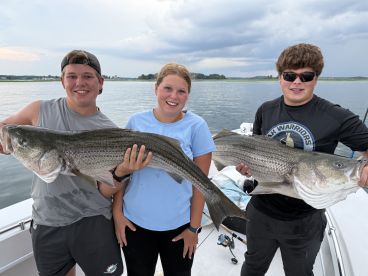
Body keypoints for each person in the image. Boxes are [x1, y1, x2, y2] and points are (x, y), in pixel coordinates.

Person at [236, 43, 368, 276]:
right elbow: (255, 151)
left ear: (316, 79)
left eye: (306, 76)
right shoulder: (265, 110)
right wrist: (249, 169)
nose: (297, 82)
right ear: (280, 78)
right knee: (252, 267)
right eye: (290, 75)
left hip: (305, 221)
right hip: (260, 211)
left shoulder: (335, 116)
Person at [0, 50, 132, 276]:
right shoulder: (39, 110)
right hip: (47, 219)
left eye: (88, 76)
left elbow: (109, 188)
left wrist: (119, 197)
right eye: (72, 76)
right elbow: (5, 130)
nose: (79, 83)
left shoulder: (112, 133)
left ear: (100, 83)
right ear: (62, 81)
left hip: (94, 219)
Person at [112, 63, 216, 276]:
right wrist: (117, 214)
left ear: (188, 95)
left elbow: (201, 184)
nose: (174, 96)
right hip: (134, 224)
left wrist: (193, 229)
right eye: (167, 88)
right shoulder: (136, 121)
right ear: (156, 88)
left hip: (179, 226)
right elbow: (121, 173)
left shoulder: (197, 126)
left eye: (181, 91)